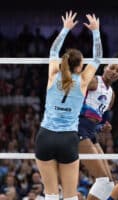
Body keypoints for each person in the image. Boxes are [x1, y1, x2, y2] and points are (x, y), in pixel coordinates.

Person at [34, 11, 102, 200]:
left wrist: (65, 29)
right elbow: (97, 58)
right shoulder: (82, 81)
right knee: (71, 196)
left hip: (45, 136)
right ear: (79, 66)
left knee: (51, 194)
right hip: (68, 139)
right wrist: (96, 32)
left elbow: (53, 51)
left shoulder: (53, 75)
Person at [78, 53, 118, 200]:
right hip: (78, 127)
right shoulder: (94, 81)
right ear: (105, 68)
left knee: (109, 184)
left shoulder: (112, 95)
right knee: (103, 181)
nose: (114, 72)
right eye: (112, 68)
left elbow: (97, 119)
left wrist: (102, 127)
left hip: (91, 132)